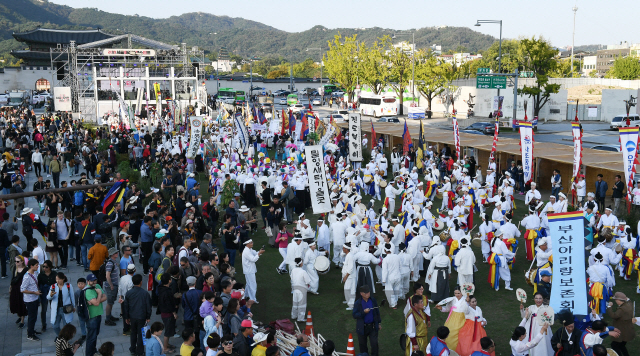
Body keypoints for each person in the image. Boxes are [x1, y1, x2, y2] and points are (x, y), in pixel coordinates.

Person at [123, 274, 153, 356]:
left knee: (133, 333)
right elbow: (148, 306)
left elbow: (126, 306)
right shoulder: (145, 293)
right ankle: (140, 351)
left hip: (132, 316)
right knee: (141, 334)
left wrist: (126, 317)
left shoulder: (129, 293)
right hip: (142, 316)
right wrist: (148, 316)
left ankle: (132, 349)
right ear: (141, 282)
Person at [352, 285, 381, 356]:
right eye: (366, 293)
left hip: (372, 326)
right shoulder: (357, 303)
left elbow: (377, 312)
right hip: (362, 327)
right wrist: (363, 313)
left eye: (368, 292)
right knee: (363, 346)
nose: (368, 294)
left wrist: (379, 323)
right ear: (361, 293)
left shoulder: (373, 300)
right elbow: (354, 315)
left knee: (374, 345)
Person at [85, 273, 107, 356]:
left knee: (95, 335)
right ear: (88, 281)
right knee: (91, 337)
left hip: (98, 314)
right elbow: (98, 302)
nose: (94, 282)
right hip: (92, 317)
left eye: (95, 280)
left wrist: (96, 300)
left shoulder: (97, 286)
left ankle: (93, 351)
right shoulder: (88, 291)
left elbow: (105, 297)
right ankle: (89, 354)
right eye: (92, 281)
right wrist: (99, 295)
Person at [606, 291, 635, 356]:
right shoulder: (629, 304)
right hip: (628, 329)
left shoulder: (621, 309)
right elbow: (628, 300)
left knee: (614, 345)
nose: (615, 301)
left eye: (615, 299)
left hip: (621, 330)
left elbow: (614, 316)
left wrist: (609, 307)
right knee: (622, 345)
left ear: (618, 300)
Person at [21, 258, 42, 341]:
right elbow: (22, 289)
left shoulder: (35, 273)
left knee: (34, 316)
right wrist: (34, 292)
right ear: (31, 266)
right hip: (30, 300)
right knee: (32, 317)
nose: (38, 266)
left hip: (35, 298)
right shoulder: (27, 277)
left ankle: (32, 330)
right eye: (36, 265)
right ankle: (30, 334)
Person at [291, 257, 311, 322]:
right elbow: (307, 281)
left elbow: (291, 278)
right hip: (302, 290)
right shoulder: (303, 271)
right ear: (301, 263)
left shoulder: (293, 270)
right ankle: (300, 318)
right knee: (302, 304)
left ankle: (294, 315)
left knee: (295, 303)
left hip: (295, 289)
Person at [103, 247, 119, 326]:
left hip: (114, 285)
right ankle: (107, 319)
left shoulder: (113, 262)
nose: (117, 253)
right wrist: (111, 285)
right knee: (109, 302)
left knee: (111, 301)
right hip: (111, 286)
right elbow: (107, 276)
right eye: (116, 253)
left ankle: (110, 316)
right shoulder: (110, 263)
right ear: (112, 254)